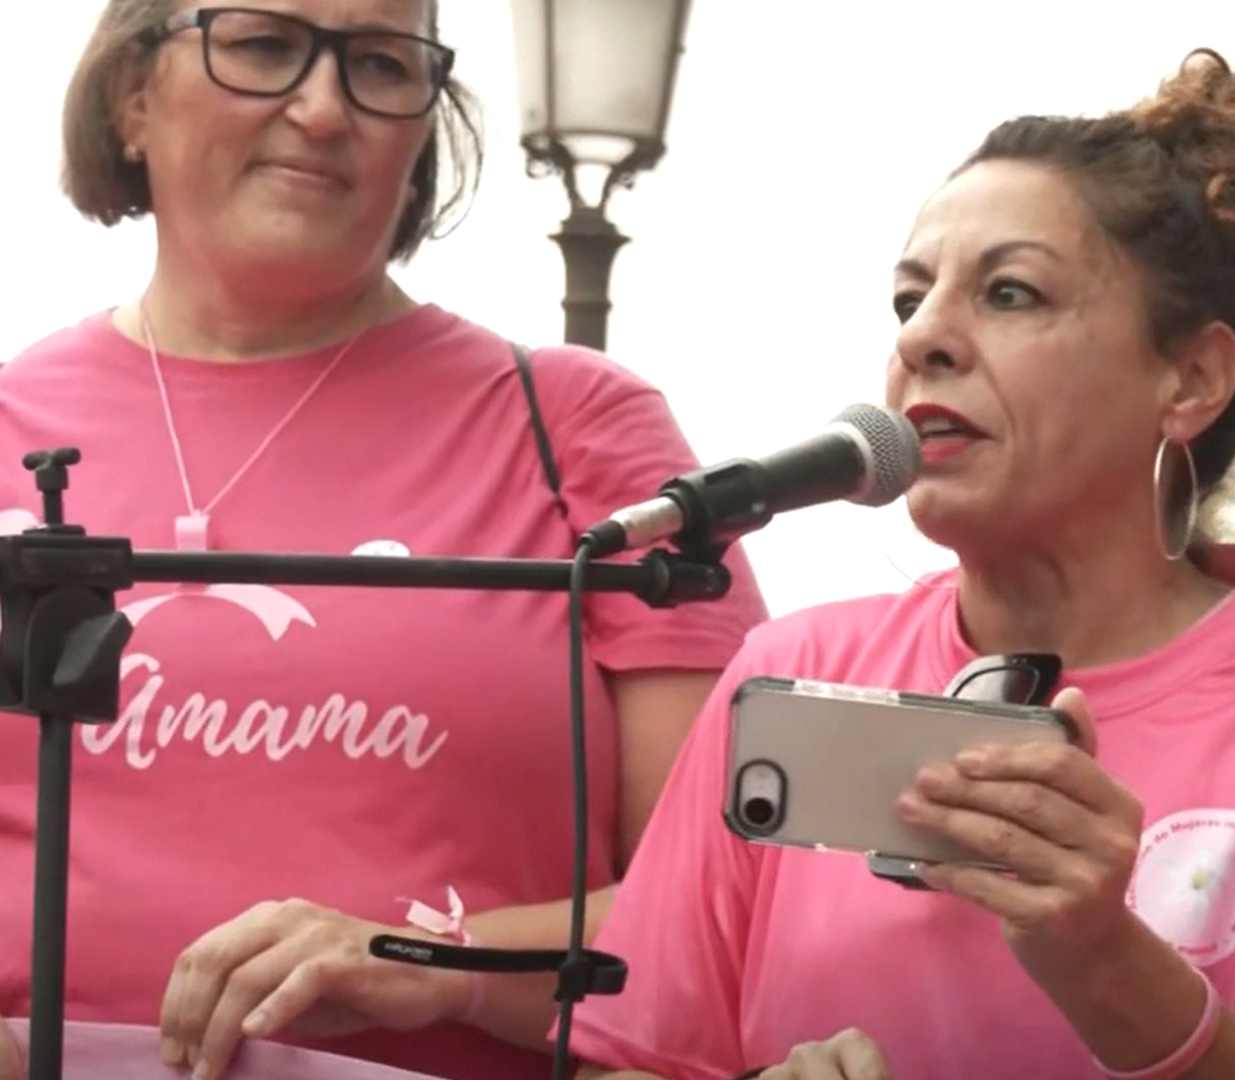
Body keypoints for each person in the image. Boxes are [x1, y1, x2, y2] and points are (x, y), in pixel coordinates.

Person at [567, 48, 1235, 1080]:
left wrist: (1105, 962)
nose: (924, 341)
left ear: (1191, 377)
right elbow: (625, 1060)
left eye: (1009, 293)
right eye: (908, 300)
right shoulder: (790, 672)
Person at [0, 3, 768, 1080]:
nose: (322, 110)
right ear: (132, 97)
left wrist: (436, 961)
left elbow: (743, 907)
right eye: (264, 46)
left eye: (378, 65)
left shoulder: (580, 431)